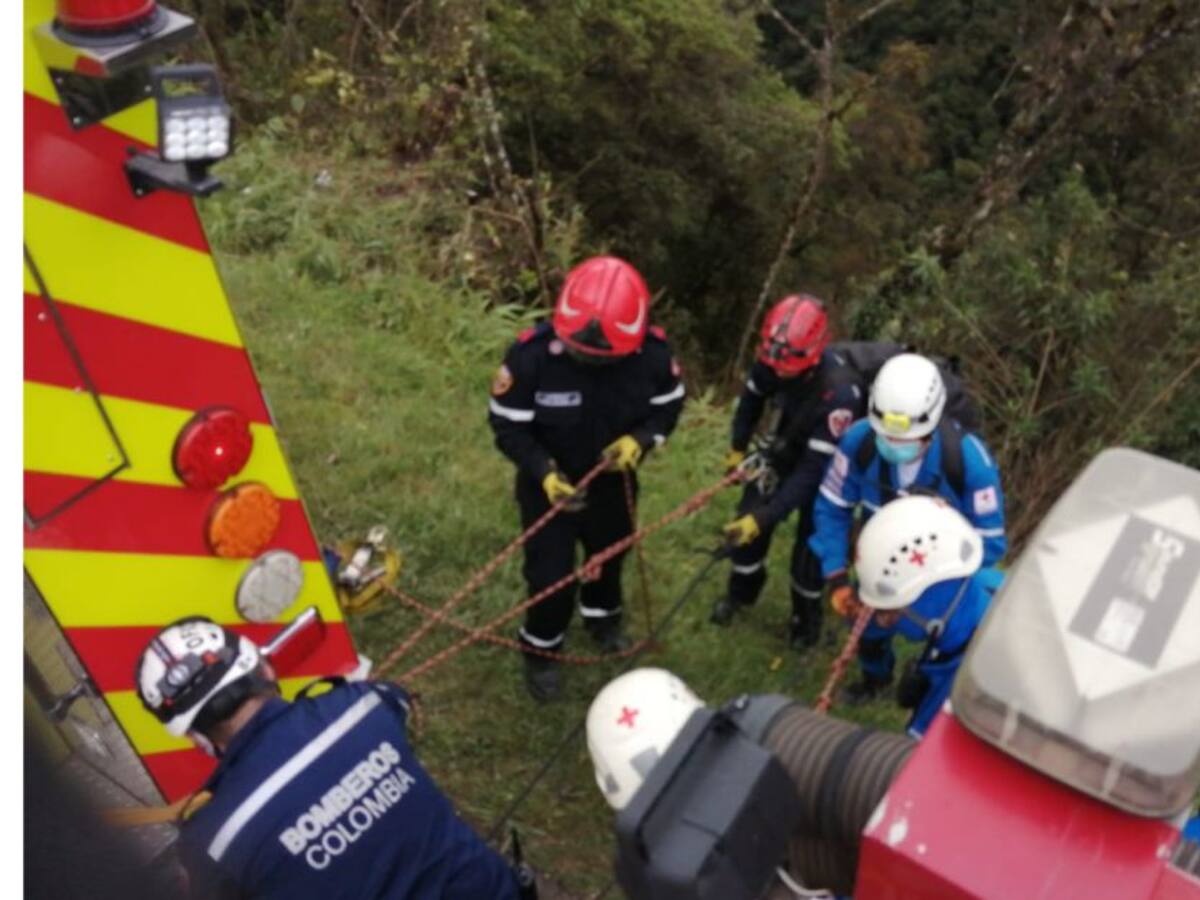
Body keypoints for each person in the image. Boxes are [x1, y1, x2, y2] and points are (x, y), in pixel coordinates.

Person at [134, 617, 523, 899]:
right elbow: (397, 697)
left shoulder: (213, 842)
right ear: (264, 667)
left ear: (192, 736)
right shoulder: (366, 705)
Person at [488, 256, 685, 701]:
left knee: (609, 556)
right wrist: (543, 472)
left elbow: (668, 407)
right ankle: (541, 650)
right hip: (548, 489)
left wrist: (641, 440)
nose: (588, 362)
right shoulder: (532, 358)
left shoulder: (652, 358)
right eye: (580, 353)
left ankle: (601, 617)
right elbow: (507, 425)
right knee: (551, 574)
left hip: (614, 483)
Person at [809, 352, 1007, 702]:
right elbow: (832, 506)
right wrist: (836, 576)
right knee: (867, 626)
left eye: (904, 440)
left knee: (948, 646)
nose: (892, 446)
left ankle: (930, 688)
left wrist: (942, 533)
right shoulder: (860, 443)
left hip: (939, 584)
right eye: (886, 435)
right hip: (879, 566)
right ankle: (875, 679)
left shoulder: (970, 464)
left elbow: (991, 546)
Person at [711, 295, 867, 650]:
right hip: (780, 449)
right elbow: (751, 402)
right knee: (745, 531)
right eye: (773, 364)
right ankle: (741, 595)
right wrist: (738, 447)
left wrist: (766, 516)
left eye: (787, 369)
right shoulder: (773, 357)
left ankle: (805, 624)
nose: (778, 372)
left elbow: (811, 473)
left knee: (810, 552)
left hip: (825, 470)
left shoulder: (840, 394)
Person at [841, 494, 1003, 737]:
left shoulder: (962, 693)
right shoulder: (982, 589)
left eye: (892, 611)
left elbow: (916, 762)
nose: (886, 619)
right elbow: (872, 625)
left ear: (931, 598)